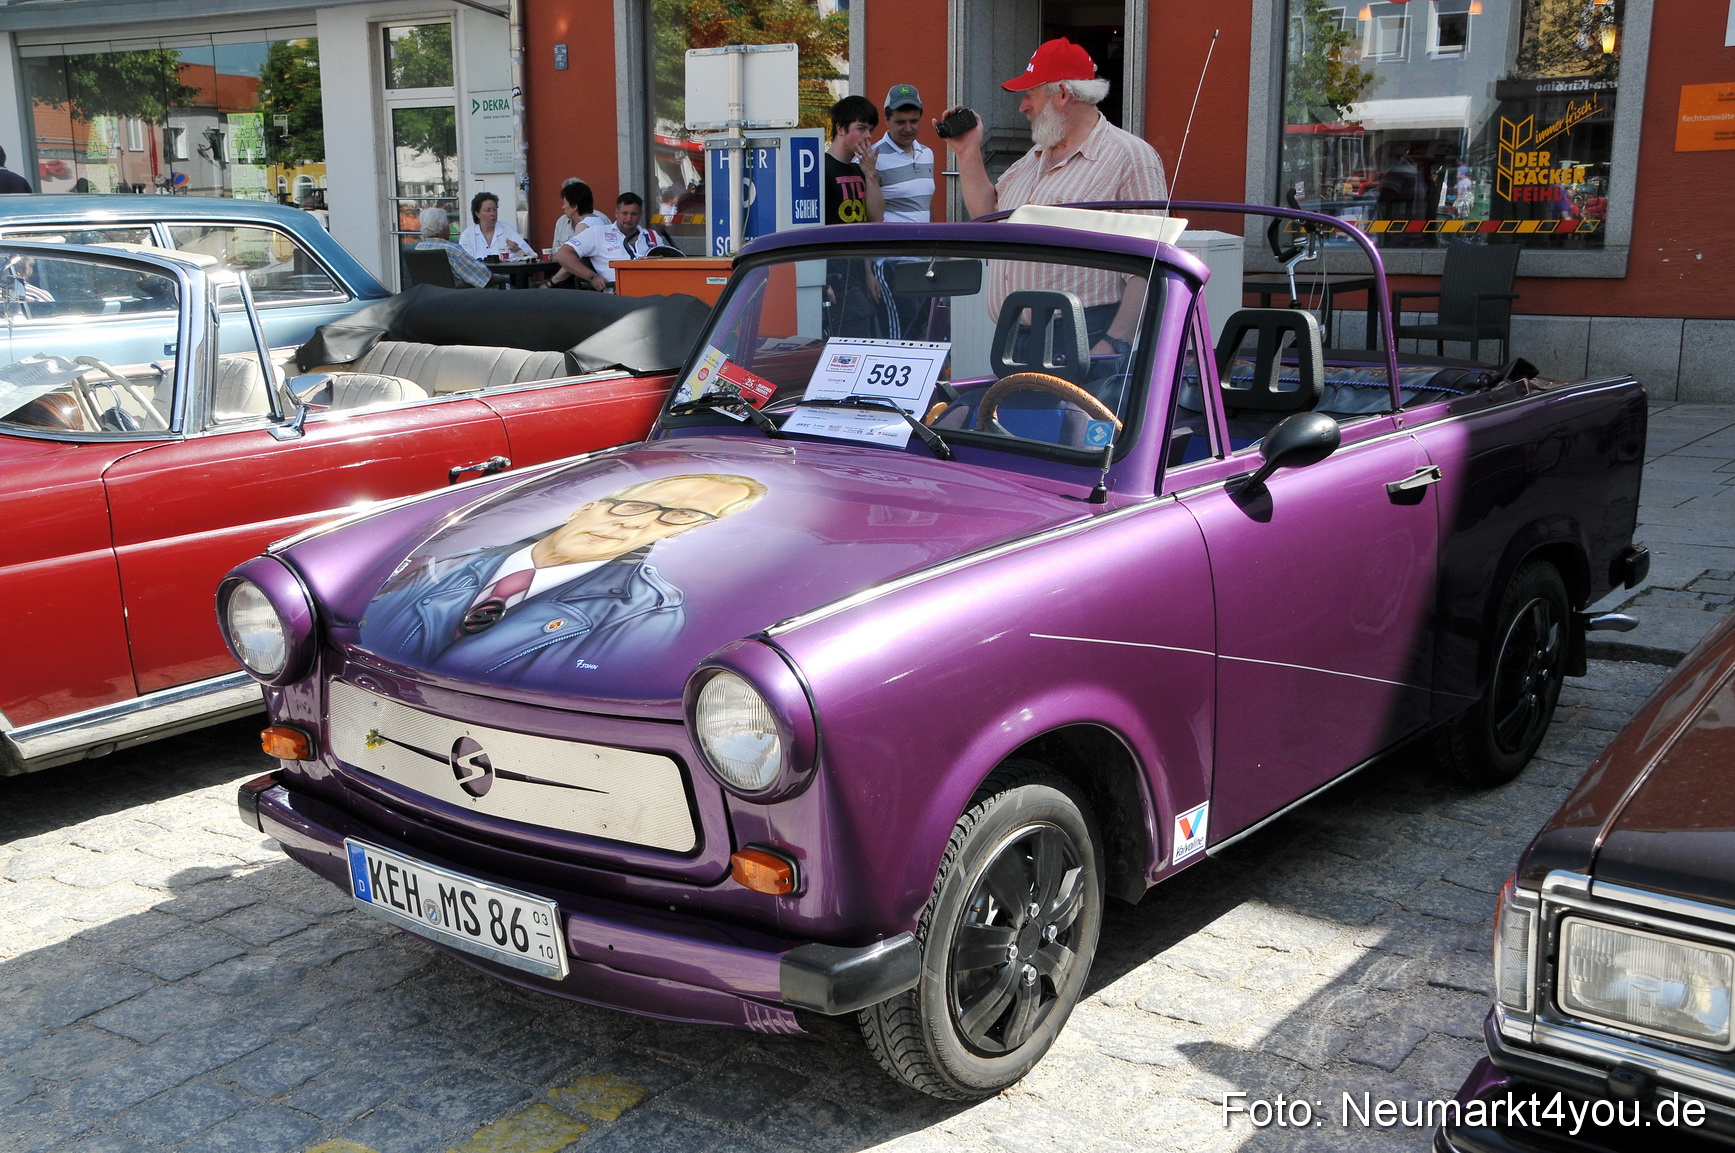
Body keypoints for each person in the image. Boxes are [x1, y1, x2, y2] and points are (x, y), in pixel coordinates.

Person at [358, 473, 767, 682]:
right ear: (586, 507)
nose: (636, 525)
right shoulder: (444, 563)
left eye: (678, 516)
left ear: (681, 533)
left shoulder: (646, 612)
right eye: (634, 506)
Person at [942, 37, 1168, 356]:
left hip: (1084, 336)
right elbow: (988, 217)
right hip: (1015, 336)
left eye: (1029, 94)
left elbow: (1151, 264)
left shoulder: (1129, 157)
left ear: (1062, 94)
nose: (1022, 106)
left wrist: (1115, 343)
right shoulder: (1035, 156)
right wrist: (967, 153)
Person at [872, 83, 937, 338]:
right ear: (887, 119)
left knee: (925, 331)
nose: (908, 128)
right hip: (891, 261)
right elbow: (867, 216)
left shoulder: (927, 154)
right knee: (900, 336)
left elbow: (924, 207)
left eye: (913, 121)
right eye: (900, 122)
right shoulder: (873, 157)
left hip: (922, 261)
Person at [823, 95, 885, 337]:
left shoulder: (860, 169)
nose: (868, 136)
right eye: (860, 128)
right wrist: (824, 281)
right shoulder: (822, 169)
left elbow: (876, 219)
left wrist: (870, 174)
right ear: (840, 128)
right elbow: (815, 229)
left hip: (858, 272)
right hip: (836, 275)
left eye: (870, 130)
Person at [552, 192, 665, 291]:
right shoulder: (598, 233)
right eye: (624, 213)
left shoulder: (651, 236)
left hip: (654, 292)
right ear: (616, 212)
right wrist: (592, 277)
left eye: (634, 214)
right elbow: (563, 254)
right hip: (616, 295)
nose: (629, 218)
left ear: (640, 215)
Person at [414, 206, 498, 289]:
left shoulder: (418, 248)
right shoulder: (452, 250)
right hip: (459, 298)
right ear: (444, 228)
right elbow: (484, 277)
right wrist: (505, 278)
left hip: (429, 298)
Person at [459, 191, 536, 260]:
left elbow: (532, 255)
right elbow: (464, 262)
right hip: (479, 275)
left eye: (495, 209)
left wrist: (518, 251)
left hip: (506, 275)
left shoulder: (507, 230)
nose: (493, 214)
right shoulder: (468, 235)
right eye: (488, 210)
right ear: (477, 213)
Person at [551, 178, 608, 249]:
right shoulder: (561, 221)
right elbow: (555, 251)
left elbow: (576, 253)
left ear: (574, 206)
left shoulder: (588, 224)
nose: (563, 207)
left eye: (565, 203)